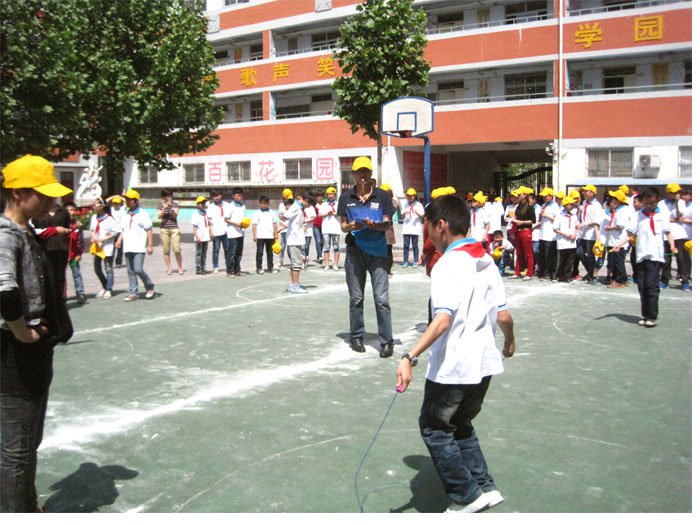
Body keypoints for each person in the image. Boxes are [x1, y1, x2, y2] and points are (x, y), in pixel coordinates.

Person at [395, 194, 515, 514]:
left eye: (428, 227)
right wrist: (509, 343)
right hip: (485, 361)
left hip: (456, 365)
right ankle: (484, 487)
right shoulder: (485, 260)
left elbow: (443, 318)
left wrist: (410, 356)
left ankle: (465, 494)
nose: (428, 234)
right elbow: (503, 315)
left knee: (434, 428)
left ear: (442, 225)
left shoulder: (448, 263)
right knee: (461, 424)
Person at [1, 154, 74, 513]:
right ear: (17, 193)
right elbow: (5, 291)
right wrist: (23, 333)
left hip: (31, 353)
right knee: (16, 449)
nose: (51, 202)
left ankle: (27, 509)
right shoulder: (6, 235)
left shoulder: (25, 231)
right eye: (42, 194)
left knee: (27, 442)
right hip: (14, 356)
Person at [337, 156, 394, 358]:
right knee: (356, 298)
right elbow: (343, 225)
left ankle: (387, 341)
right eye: (359, 172)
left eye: (366, 171)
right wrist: (350, 226)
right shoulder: (345, 197)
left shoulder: (382, 196)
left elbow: (387, 223)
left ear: (371, 174)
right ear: (353, 174)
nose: (363, 175)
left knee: (381, 299)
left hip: (378, 252)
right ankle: (356, 337)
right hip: (354, 251)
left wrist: (375, 225)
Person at [612, 187, 674, 327]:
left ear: (657, 200)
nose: (649, 206)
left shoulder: (663, 214)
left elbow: (668, 232)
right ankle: (645, 315)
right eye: (646, 203)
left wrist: (672, 245)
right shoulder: (638, 215)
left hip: (655, 256)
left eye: (651, 203)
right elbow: (630, 233)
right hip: (640, 255)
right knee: (642, 286)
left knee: (651, 285)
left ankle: (652, 316)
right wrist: (619, 244)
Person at [115, 189, 155, 302]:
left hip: (139, 246)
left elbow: (149, 229)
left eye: (129, 199)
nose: (127, 201)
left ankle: (149, 285)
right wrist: (119, 240)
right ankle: (133, 293)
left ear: (135, 201)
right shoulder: (126, 213)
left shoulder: (142, 213)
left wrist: (150, 245)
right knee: (130, 270)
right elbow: (123, 229)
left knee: (138, 269)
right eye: (126, 199)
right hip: (128, 246)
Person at [31, 201, 70, 299]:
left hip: (61, 247)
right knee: (48, 276)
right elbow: (35, 229)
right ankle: (50, 300)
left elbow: (67, 227)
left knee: (60, 276)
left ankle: (60, 299)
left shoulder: (64, 212)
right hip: (45, 247)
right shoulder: (39, 211)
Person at [659, 183, 690, 290]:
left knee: (681, 259)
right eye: (674, 193)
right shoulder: (661, 203)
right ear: (668, 193)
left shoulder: (681, 202)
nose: (677, 194)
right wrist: (672, 220)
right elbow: (662, 219)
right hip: (665, 235)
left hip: (678, 235)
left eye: (678, 192)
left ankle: (684, 281)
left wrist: (677, 203)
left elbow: (679, 216)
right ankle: (664, 280)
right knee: (666, 260)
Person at [89, 197, 119, 299]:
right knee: (97, 268)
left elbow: (115, 232)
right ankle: (105, 285)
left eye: (95, 205)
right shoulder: (94, 218)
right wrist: (93, 237)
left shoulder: (109, 219)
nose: (93, 207)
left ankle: (109, 289)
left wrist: (104, 238)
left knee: (108, 268)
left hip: (107, 247)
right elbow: (92, 229)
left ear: (101, 207)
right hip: (97, 247)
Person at [602, 189, 631, 288]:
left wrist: (610, 227)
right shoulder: (618, 211)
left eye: (614, 199)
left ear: (619, 201)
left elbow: (620, 226)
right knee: (615, 262)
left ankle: (619, 280)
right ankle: (619, 279)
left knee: (618, 263)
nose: (611, 201)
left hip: (619, 241)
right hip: (614, 240)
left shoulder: (622, 211)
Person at [280, 195, 307, 294]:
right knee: (296, 264)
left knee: (294, 264)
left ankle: (292, 285)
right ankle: (295, 286)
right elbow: (285, 216)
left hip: (294, 240)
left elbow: (286, 218)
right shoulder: (295, 206)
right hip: (295, 240)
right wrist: (282, 215)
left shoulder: (297, 208)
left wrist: (282, 216)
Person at [576, 184, 602, 283]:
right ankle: (589, 271)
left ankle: (591, 274)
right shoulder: (584, 203)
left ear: (592, 193)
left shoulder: (597, 205)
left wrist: (584, 224)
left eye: (586, 191)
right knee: (580, 252)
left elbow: (596, 221)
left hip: (591, 234)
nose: (584, 192)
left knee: (590, 255)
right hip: (582, 234)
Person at [510, 187, 536, 280]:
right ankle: (517, 272)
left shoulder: (529, 207)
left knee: (528, 253)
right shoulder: (518, 206)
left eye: (520, 194)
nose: (519, 196)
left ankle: (529, 273)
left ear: (525, 195)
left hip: (526, 230)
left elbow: (533, 221)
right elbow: (516, 218)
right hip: (518, 231)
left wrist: (522, 222)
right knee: (519, 252)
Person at [64, 201, 87, 304]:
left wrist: (79, 253)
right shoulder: (62, 223)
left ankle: (80, 293)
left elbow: (81, 240)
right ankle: (62, 295)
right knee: (62, 276)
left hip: (74, 255)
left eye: (73, 210)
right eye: (69, 210)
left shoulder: (78, 225)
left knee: (76, 274)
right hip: (63, 255)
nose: (71, 212)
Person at [553, 196, 580, 283]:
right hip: (562, 242)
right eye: (570, 204)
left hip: (572, 242)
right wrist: (567, 235)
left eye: (572, 204)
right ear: (565, 205)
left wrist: (575, 234)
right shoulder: (559, 216)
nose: (572, 206)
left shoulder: (574, 216)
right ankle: (558, 275)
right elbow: (556, 229)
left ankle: (567, 275)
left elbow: (577, 226)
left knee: (570, 260)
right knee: (561, 260)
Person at [157, 189, 184, 276]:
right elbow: (159, 216)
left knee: (176, 249)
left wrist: (171, 207)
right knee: (166, 249)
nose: (166, 198)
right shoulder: (160, 205)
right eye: (164, 196)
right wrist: (164, 207)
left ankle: (180, 267)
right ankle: (169, 268)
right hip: (164, 229)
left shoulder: (175, 204)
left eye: (168, 196)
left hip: (174, 229)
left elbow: (176, 215)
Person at [252, 195, 278, 274]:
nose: (263, 205)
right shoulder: (256, 213)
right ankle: (259, 268)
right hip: (260, 236)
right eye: (262, 203)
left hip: (270, 236)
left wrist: (275, 234)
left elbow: (275, 224)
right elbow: (254, 225)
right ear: (259, 204)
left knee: (270, 252)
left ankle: (270, 268)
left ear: (268, 204)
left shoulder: (272, 212)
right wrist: (254, 235)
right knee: (259, 252)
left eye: (265, 203)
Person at [206, 190, 230, 274]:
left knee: (227, 250)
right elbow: (209, 220)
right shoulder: (210, 207)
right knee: (216, 250)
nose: (216, 197)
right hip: (216, 232)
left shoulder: (227, 205)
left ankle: (228, 265)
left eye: (218, 195)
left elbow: (230, 218)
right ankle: (215, 266)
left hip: (226, 232)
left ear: (221, 195)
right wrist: (210, 232)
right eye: (214, 196)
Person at [537, 188, 558, 281]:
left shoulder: (555, 206)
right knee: (542, 254)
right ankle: (543, 272)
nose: (544, 198)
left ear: (551, 196)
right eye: (543, 196)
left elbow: (557, 219)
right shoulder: (543, 205)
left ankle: (552, 273)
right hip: (542, 233)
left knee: (550, 255)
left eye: (546, 196)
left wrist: (547, 215)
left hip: (551, 235)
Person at [319, 186, 342, 271]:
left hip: (336, 228)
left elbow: (342, 214)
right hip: (326, 228)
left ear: (335, 194)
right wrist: (327, 213)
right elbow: (319, 215)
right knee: (326, 247)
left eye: (332, 194)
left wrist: (335, 213)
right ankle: (327, 265)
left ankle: (335, 264)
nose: (330, 196)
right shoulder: (324, 204)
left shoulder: (339, 204)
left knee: (336, 247)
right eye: (328, 194)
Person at [225, 187, 247, 277]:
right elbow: (226, 219)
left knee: (239, 253)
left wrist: (245, 224)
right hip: (232, 233)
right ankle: (230, 271)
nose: (240, 197)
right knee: (232, 253)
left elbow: (244, 219)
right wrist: (237, 224)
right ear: (233, 196)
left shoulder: (243, 206)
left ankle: (237, 270)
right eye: (238, 196)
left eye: (241, 196)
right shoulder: (230, 206)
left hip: (241, 233)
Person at [401, 188, 424, 267]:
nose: (409, 198)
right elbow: (402, 216)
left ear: (414, 196)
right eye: (408, 196)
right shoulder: (405, 204)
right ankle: (405, 261)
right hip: (407, 228)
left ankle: (415, 261)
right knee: (406, 245)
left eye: (411, 196)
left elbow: (423, 216)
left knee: (415, 245)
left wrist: (417, 213)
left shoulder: (419, 205)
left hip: (415, 228)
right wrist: (405, 213)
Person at [380, 183, 399, 275]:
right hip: (378, 229)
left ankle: (388, 271)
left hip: (388, 229)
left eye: (385, 191)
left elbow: (389, 212)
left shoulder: (393, 202)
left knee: (388, 250)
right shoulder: (378, 201)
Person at [191, 196, 210, 275]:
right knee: (199, 253)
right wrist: (197, 236)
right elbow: (194, 227)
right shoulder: (195, 214)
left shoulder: (206, 212)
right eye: (201, 203)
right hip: (199, 237)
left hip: (206, 236)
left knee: (204, 253)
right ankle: (198, 269)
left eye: (204, 203)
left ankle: (203, 267)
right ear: (198, 204)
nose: (203, 204)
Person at [108, 196, 126, 267]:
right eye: (114, 203)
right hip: (113, 231)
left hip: (120, 231)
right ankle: (110, 261)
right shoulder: (111, 209)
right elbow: (106, 201)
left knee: (120, 248)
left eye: (117, 203)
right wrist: (114, 196)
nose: (116, 205)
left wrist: (120, 197)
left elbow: (125, 201)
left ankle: (118, 262)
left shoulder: (122, 209)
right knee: (112, 247)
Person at [277, 188, 292, 268]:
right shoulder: (281, 205)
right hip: (283, 227)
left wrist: (285, 217)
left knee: (291, 246)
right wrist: (281, 217)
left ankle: (292, 261)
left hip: (290, 228)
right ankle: (281, 261)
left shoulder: (293, 205)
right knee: (282, 246)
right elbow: (280, 215)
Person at [301, 195, 317, 269]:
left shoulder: (311, 208)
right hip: (301, 230)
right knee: (302, 246)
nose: (306, 202)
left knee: (306, 246)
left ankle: (306, 258)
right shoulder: (301, 208)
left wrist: (306, 221)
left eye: (307, 201)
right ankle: (303, 261)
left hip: (308, 230)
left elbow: (313, 218)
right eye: (305, 201)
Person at [312, 190, 325, 264]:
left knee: (322, 241)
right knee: (318, 240)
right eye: (318, 196)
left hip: (323, 225)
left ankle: (319, 255)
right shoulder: (313, 205)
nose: (319, 197)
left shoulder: (325, 204)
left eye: (321, 196)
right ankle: (320, 256)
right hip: (315, 224)